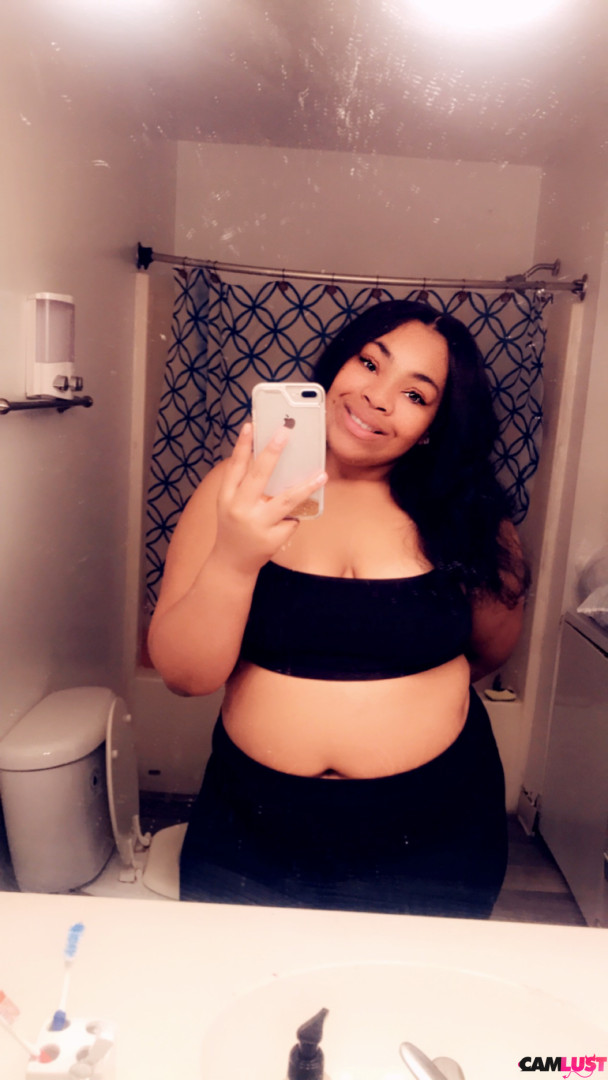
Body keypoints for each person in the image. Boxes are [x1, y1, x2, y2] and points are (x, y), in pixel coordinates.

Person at [147, 299, 528, 918]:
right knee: (235, 972)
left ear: (434, 425)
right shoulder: (235, 491)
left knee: (415, 980)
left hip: (435, 826)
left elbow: (489, 650)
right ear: (334, 367)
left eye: (415, 394)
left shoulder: (474, 517)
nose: (378, 397)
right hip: (252, 825)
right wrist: (236, 557)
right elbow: (185, 677)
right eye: (369, 363)